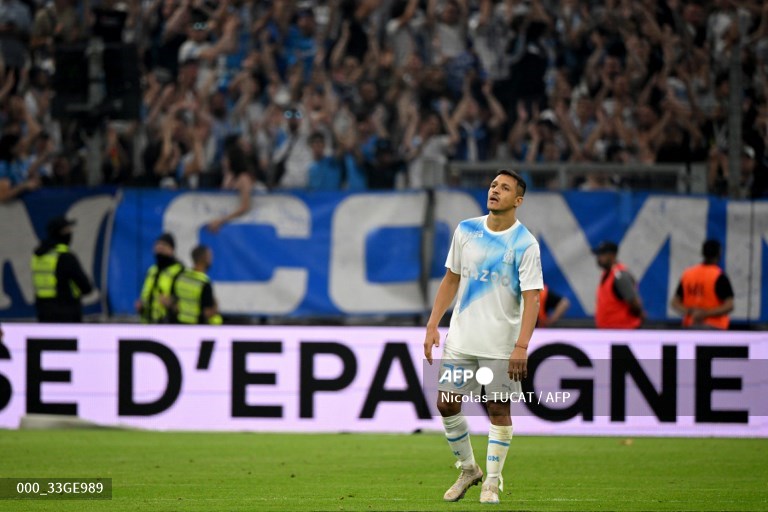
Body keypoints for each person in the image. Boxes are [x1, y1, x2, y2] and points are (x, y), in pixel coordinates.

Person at [424, 170, 543, 505]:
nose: (495, 190)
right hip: (462, 338)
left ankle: (492, 480)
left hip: (501, 343)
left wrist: (521, 345)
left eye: (504, 188)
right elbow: (451, 278)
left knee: (498, 409)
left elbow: (532, 297)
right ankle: (468, 469)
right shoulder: (466, 230)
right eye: (493, 185)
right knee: (446, 403)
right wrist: (433, 323)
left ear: (518, 200)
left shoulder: (525, 243)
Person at [31, 216, 93, 322]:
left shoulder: (38, 255)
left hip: (44, 313)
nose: (70, 233)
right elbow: (86, 287)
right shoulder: (65, 257)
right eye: (67, 230)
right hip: (67, 314)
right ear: (59, 233)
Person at [670, 240, 734, 329]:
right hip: (715, 328)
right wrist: (705, 314)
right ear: (719, 255)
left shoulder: (688, 274)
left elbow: (674, 303)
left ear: (702, 253)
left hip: (690, 325)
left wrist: (690, 311)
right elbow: (729, 306)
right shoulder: (719, 276)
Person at [593, 241, 644, 329]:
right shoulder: (607, 274)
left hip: (622, 331)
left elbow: (634, 304)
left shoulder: (620, 276)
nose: (598, 258)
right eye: (598, 255)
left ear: (612, 255)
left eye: (602, 254)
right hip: (610, 331)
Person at [135, 233, 184, 323]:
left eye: (164, 245)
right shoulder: (151, 271)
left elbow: (187, 302)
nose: (160, 247)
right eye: (157, 244)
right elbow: (146, 294)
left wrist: (172, 304)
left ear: (172, 249)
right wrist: (141, 306)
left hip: (169, 325)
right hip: (147, 324)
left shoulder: (180, 271)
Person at [170, 244, 222, 325]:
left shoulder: (181, 277)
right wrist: (215, 308)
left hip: (179, 325)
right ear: (206, 258)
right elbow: (207, 313)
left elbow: (173, 303)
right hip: (196, 327)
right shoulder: (204, 282)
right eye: (210, 256)